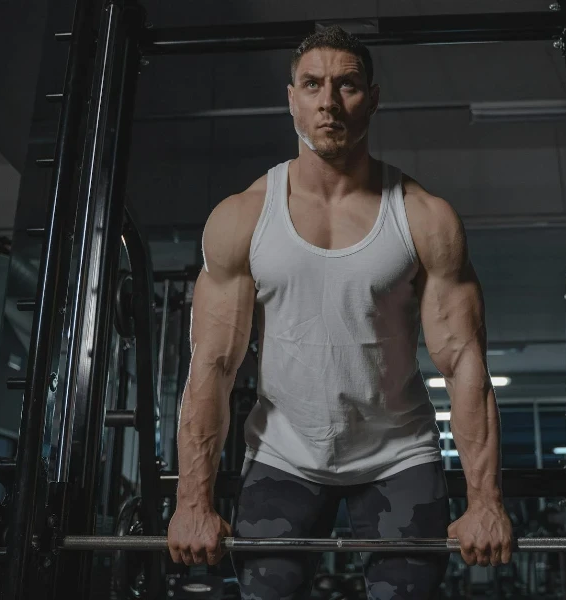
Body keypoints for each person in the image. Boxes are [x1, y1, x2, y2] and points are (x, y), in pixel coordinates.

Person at [167, 26, 513, 599]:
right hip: (283, 455)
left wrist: (486, 504)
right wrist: (191, 504)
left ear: (372, 98)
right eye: (312, 85)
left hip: (399, 456)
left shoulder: (424, 217)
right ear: (292, 98)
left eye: (346, 84)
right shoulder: (242, 218)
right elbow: (212, 367)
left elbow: (463, 364)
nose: (329, 101)